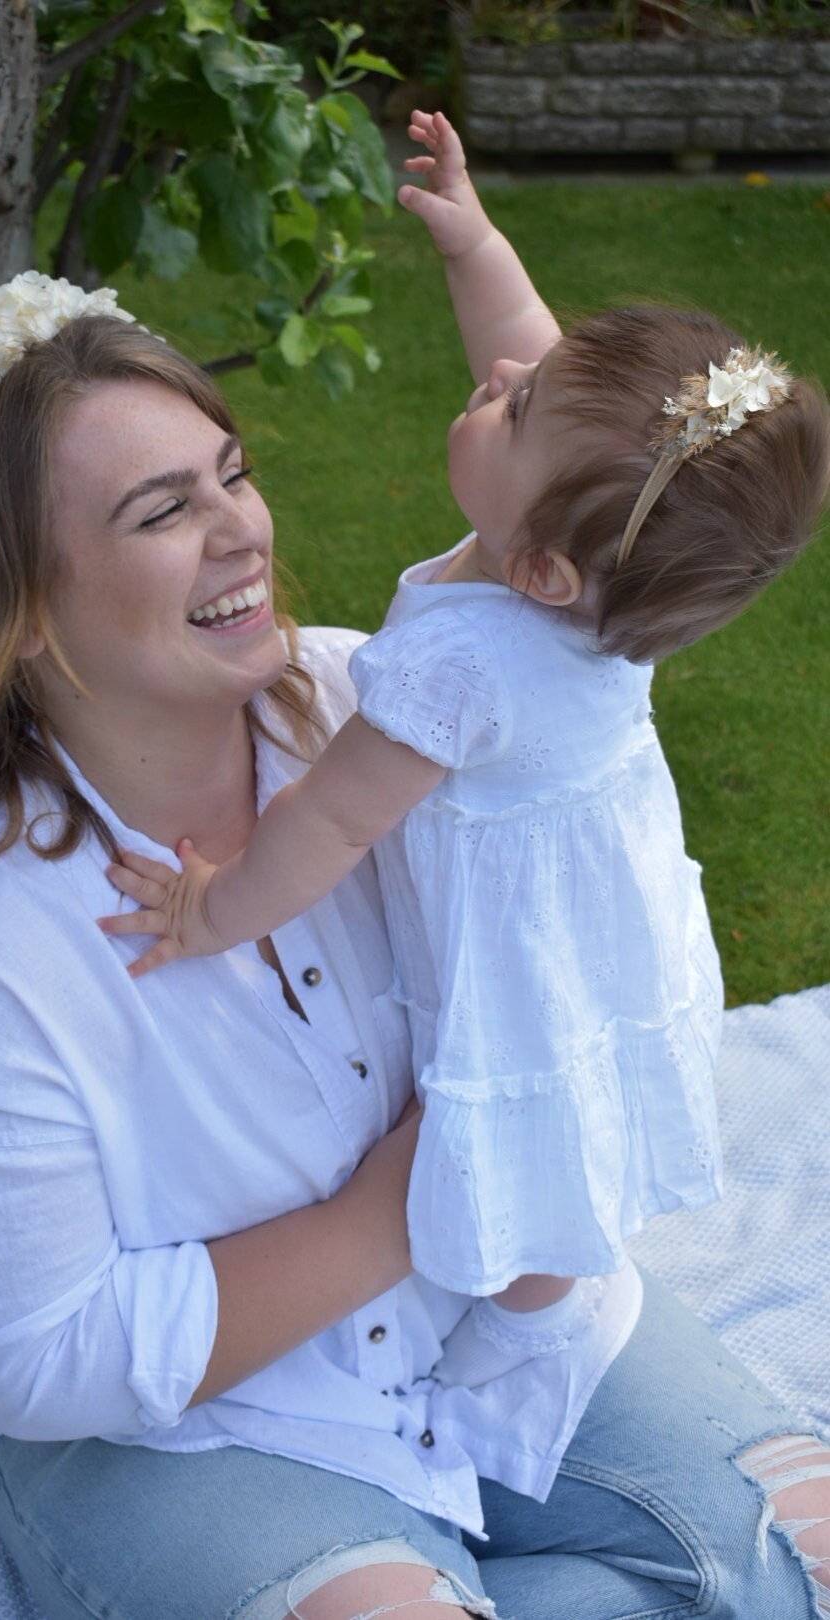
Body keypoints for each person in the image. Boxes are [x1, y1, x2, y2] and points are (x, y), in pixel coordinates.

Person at [0, 251, 830, 1618]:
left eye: (232, 472)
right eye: (164, 511)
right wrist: (391, 1212)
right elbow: (40, 1355)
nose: (243, 531)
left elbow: (607, 518)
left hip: (484, 1309)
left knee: (797, 1554)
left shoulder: (380, 704)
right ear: (20, 616)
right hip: (192, 1433)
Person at [100, 111, 830, 1386]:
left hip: (528, 944)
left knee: (532, 1112)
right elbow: (528, 347)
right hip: (613, 902)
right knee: (577, 1108)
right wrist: (472, 240)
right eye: (521, 386)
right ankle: (549, 1282)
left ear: (539, 567)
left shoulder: (468, 664)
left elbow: (334, 821)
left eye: (513, 413)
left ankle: (535, 1323)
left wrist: (218, 911)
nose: (496, 384)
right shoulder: (605, 572)